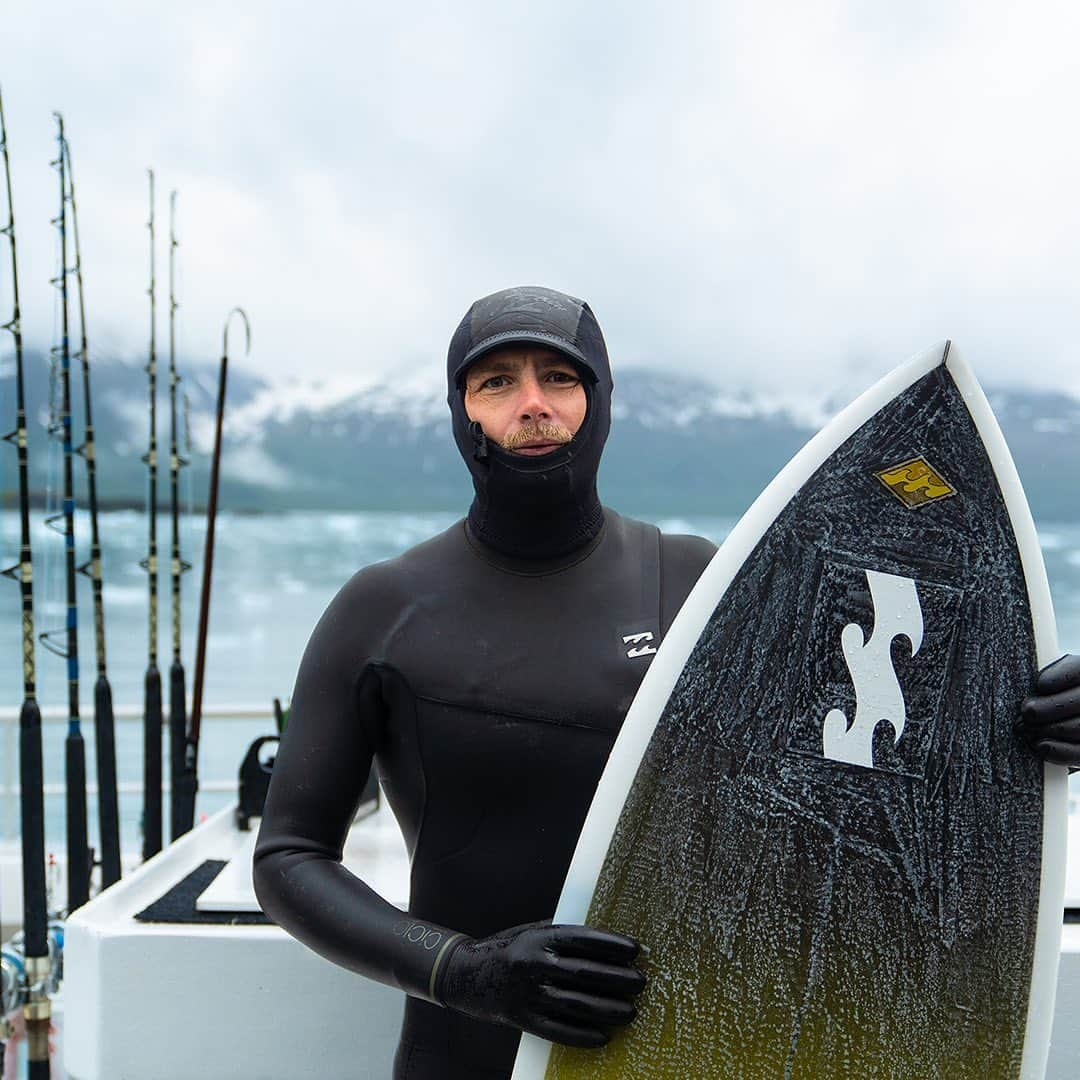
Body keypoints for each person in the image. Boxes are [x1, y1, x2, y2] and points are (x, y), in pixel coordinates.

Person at [254, 286, 1080, 1079]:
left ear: (600, 401)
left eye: (560, 378)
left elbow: (872, 751)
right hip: (462, 1052)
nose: (531, 404)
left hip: (678, 1048)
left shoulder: (696, 582)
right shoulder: (386, 607)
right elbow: (289, 857)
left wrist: (1031, 726)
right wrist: (463, 970)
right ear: (460, 411)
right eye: (495, 382)